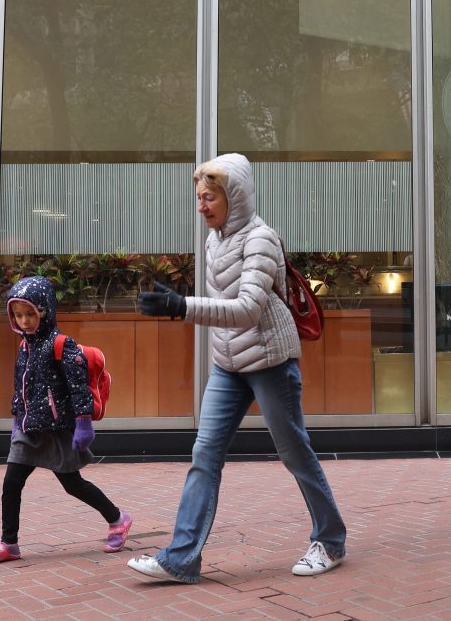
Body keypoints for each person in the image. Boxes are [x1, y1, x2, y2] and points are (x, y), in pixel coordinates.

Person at [127, 153, 347, 583]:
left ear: (235, 197)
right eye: (199, 197)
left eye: (209, 197)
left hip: (270, 361)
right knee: (204, 454)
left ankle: (331, 540)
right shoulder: (215, 238)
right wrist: (181, 304)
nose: (201, 206)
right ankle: (181, 559)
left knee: (294, 453)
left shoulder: (260, 238)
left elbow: (247, 309)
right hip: (229, 365)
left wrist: (181, 306)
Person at [0, 275, 133, 564]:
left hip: (59, 429)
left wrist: (83, 423)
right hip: (29, 428)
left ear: (45, 311)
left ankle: (118, 518)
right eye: (18, 315)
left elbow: (77, 387)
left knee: (72, 484)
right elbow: (21, 387)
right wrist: (15, 420)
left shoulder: (62, 344)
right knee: (12, 482)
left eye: (29, 315)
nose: (23, 321)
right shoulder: (25, 348)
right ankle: (8, 543)